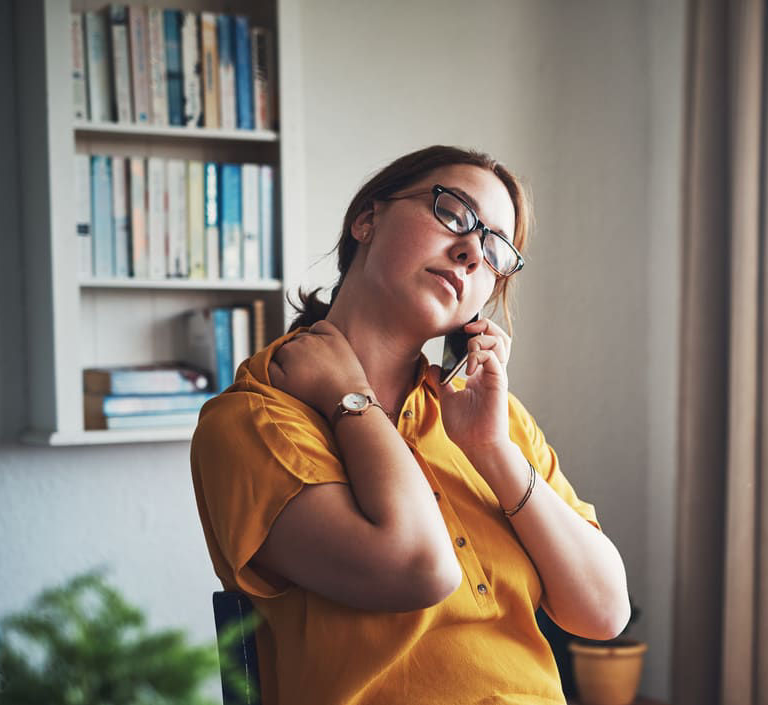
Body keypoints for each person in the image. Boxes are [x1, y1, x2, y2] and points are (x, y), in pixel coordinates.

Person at [190, 145, 631, 705]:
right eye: (452, 212)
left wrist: (492, 450)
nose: (473, 250)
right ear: (367, 220)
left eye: (497, 247)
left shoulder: (491, 416)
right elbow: (419, 569)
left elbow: (604, 612)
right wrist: (348, 400)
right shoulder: (255, 418)